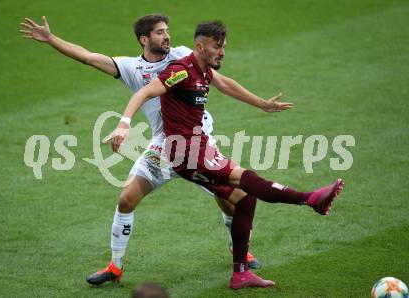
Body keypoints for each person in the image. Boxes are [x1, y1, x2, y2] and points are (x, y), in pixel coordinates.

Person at [19, 14, 264, 285]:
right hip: (162, 146)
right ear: (144, 40)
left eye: (167, 30)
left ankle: (239, 249)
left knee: (232, 201)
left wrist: (260, 103)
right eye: (160, 32)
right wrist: (51, 39)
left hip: (197, 145)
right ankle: (115, 266)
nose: (167, 36)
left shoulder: (184, 55)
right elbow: (88, 57)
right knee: (126, 199)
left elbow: (222, 81)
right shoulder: (131, 68)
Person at [104, 20, 344, 289]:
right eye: (217, 47)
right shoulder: (181, 71)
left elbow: (227, 85)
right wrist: (124, 124)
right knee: (249, 180)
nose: (222, 52)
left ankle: (240, 273)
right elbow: (146, 92)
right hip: (186, 152)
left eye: (224, 47)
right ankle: (311, 200)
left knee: (244, 201)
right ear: (200, 47)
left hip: (197, 148)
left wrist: (261, 104)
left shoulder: (204, 72)